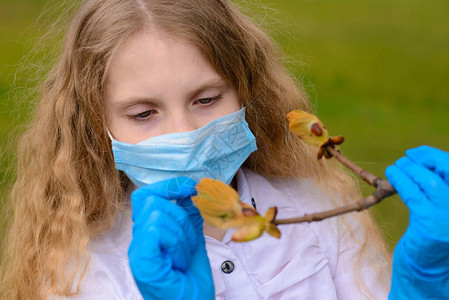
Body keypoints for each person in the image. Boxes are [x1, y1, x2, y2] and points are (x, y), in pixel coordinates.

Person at [0, 0, 447, 299]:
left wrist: (421, 285)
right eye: (143, 114)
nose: (185, 132)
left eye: (207, 100)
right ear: (97, 124)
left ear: (246, 92)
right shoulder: (75, 272)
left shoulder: (316, 208)